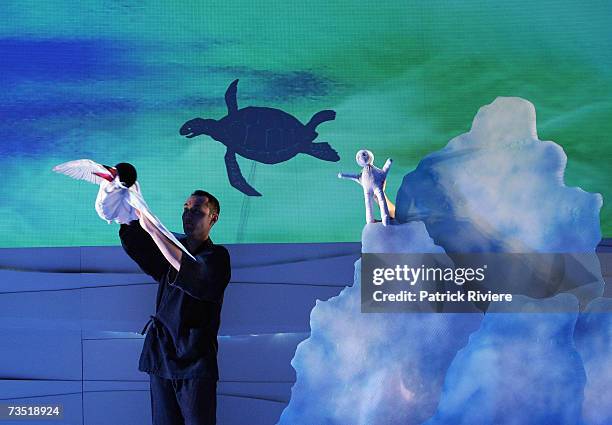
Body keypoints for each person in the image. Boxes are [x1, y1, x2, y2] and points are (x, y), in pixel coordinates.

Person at [119, 190, 231, 425]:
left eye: (197, 211)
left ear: (213, 218)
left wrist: (154, 230)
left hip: (194, 363)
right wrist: (126, 216)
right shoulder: (172, 249)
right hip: (162, 357)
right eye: (186, 208)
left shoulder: (217, 256)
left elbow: (189, 268)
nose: (188, 215)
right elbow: (143, 251)